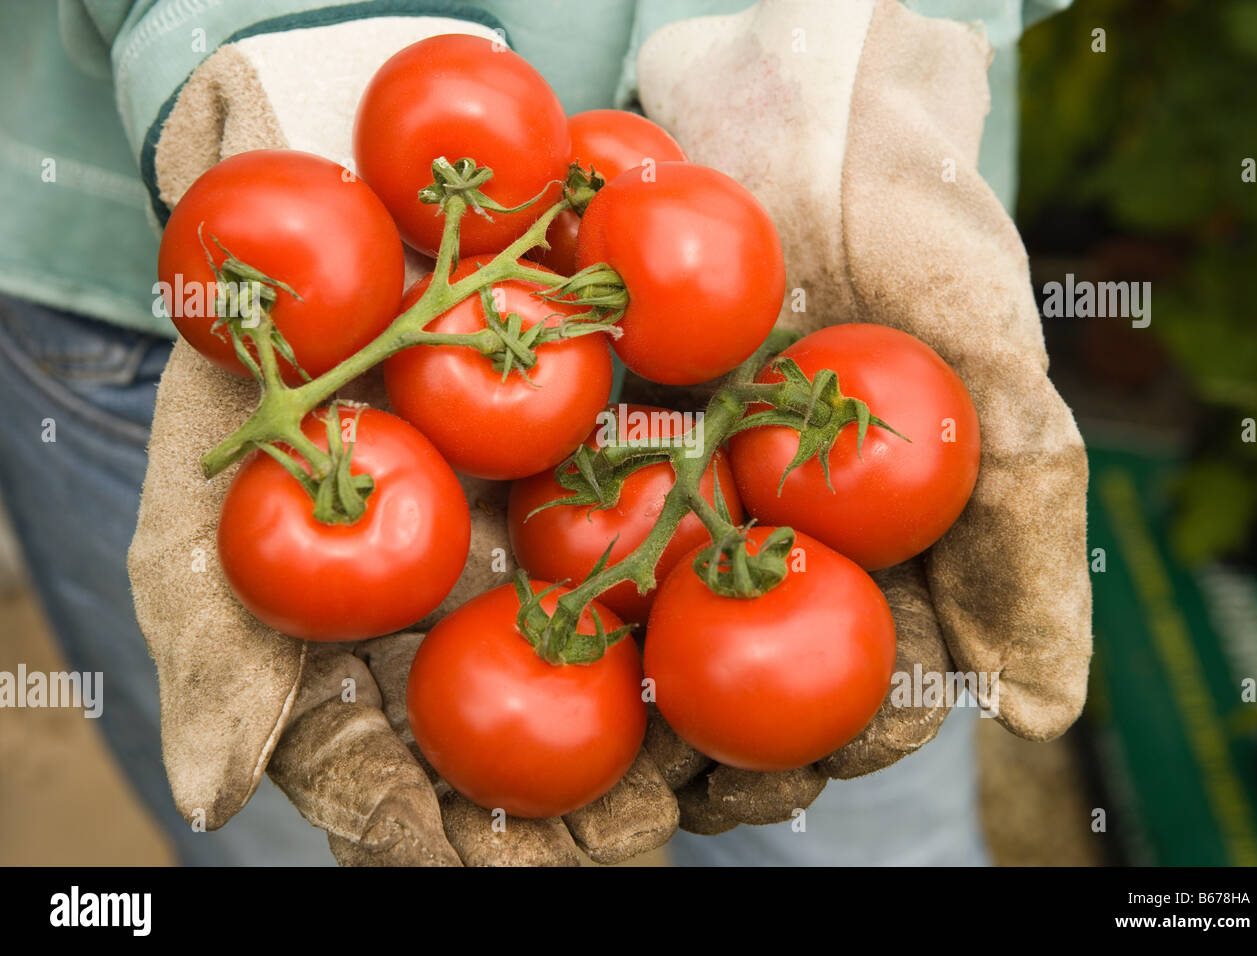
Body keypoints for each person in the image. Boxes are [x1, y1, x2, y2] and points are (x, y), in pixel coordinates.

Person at [0, 0, 1071, 866]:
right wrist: (281, 31)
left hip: (770, 284)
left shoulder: (619, 300)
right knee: (310, 827)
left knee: (873, 840)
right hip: (117, 296)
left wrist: (836, 42)